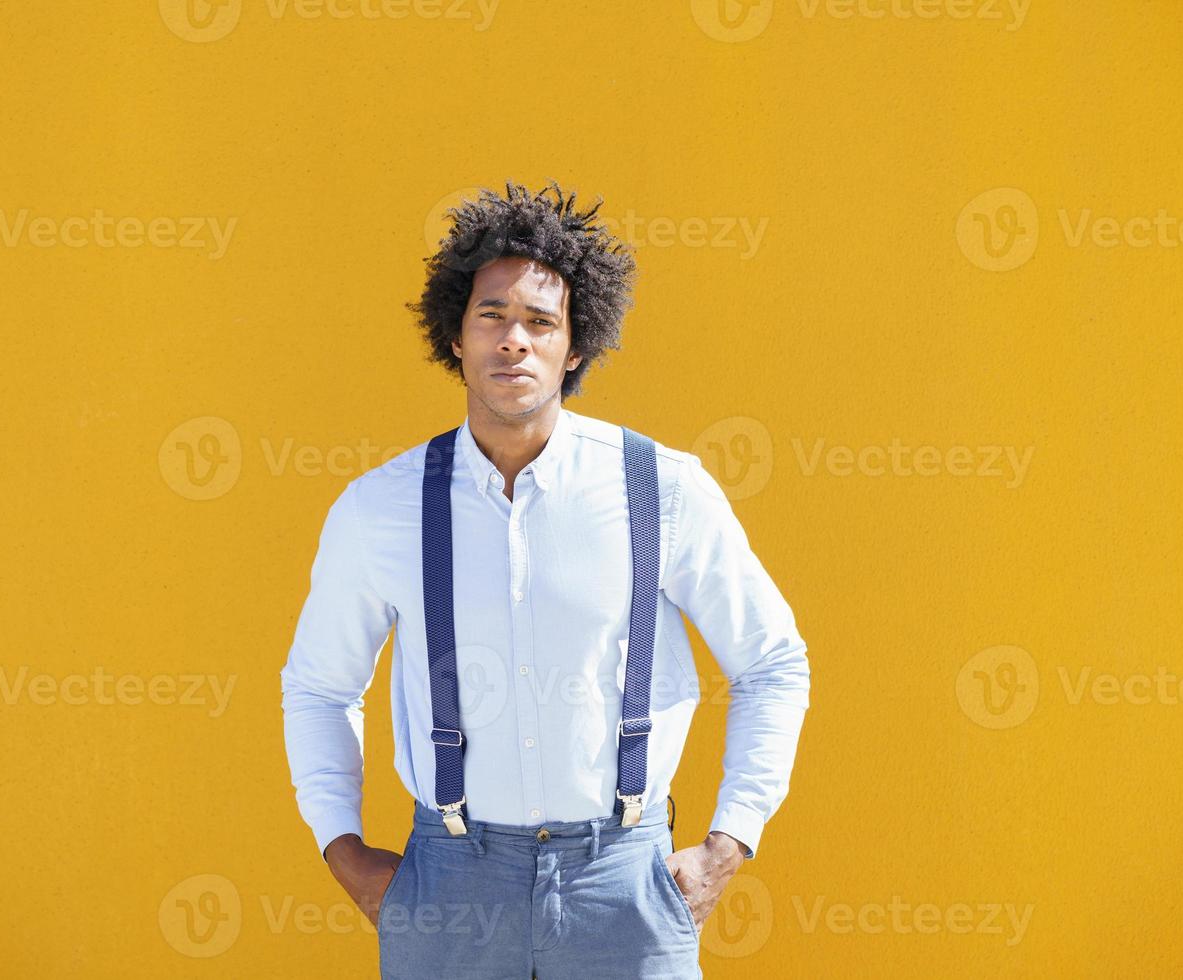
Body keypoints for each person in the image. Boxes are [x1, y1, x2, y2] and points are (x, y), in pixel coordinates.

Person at [280, 180, 810, 978]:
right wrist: (344, 851)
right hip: (450, 883)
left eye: (541, 322)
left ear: (576, 346)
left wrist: (729, 841)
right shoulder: (380, 506)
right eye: (491, 315)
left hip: (624, 883)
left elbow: (772, 663)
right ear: (454, 338)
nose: (514, 341)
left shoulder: (661, 490)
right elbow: (320, 687)